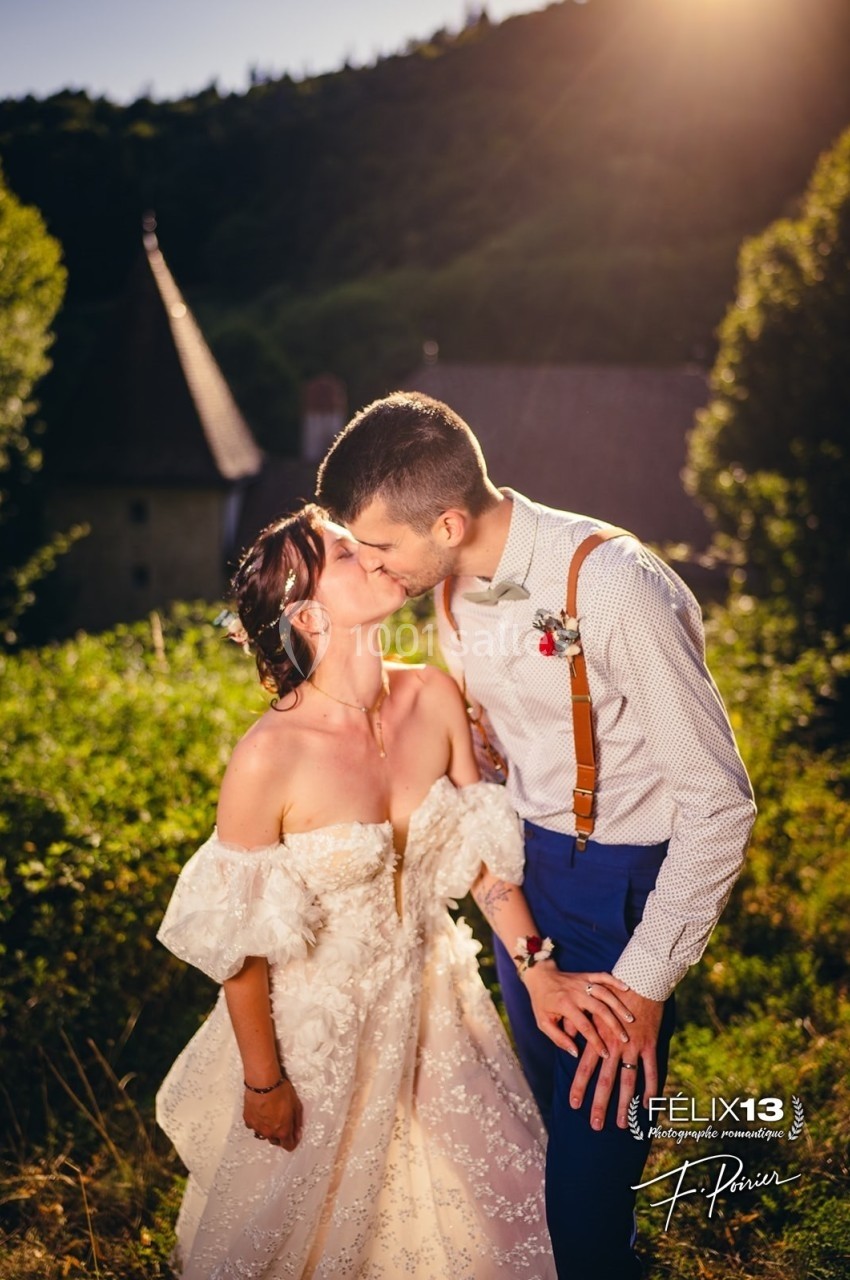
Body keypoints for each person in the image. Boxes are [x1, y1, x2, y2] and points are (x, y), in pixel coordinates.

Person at [315, 392, 757, 1279]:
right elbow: (510, 737)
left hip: (623, 893)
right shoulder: (443, 585)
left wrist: (641, 984)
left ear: (447, 520)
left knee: (585, 1208)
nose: (370, 565)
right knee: (553, 1139)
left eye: (381, 547)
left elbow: (720, 803)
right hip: (522, 885)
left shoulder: (613, 585)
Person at [156, 504, 634, 1279]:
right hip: (315, 1043)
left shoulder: (434, 696)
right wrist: (264, 1081)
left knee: (497, 1223)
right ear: (307, 613)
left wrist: (538, 968)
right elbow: (238, 946)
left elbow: (482, 857)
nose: (374, 555)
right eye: (347, 554)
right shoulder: (266, 757)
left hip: (439, 1015)